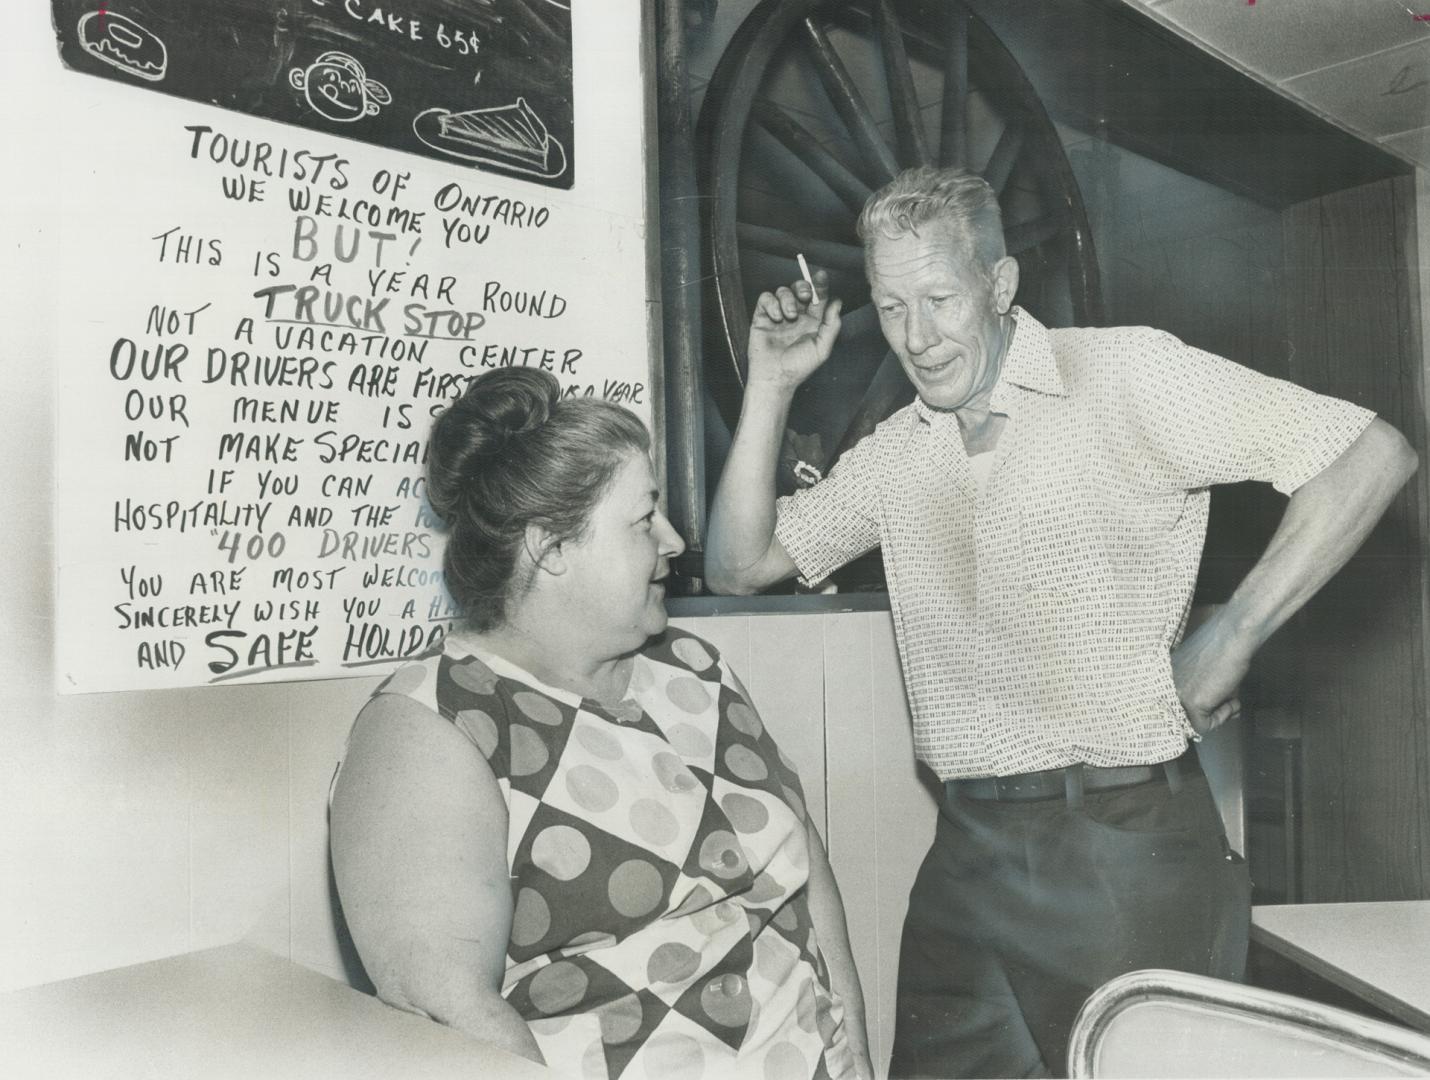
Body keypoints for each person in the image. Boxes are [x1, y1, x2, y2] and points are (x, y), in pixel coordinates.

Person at [706, 165, 1418, 1078]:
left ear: (999, 287)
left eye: (939, 299)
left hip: (1123, 843)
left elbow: (1366, 454)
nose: (917, 339)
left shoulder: (1123, 372)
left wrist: (1233, 633)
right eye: (890, 308)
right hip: (966, 850)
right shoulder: (898, 451)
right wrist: (771, 386)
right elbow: (741, 563)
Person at [330, 367, 872, 1080]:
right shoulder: (429, 727)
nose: (676, 542)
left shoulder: (694, 667)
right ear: (549, 551)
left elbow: (806, 870)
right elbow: (452, 1016)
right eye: (645, 519)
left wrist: (857, 1056)